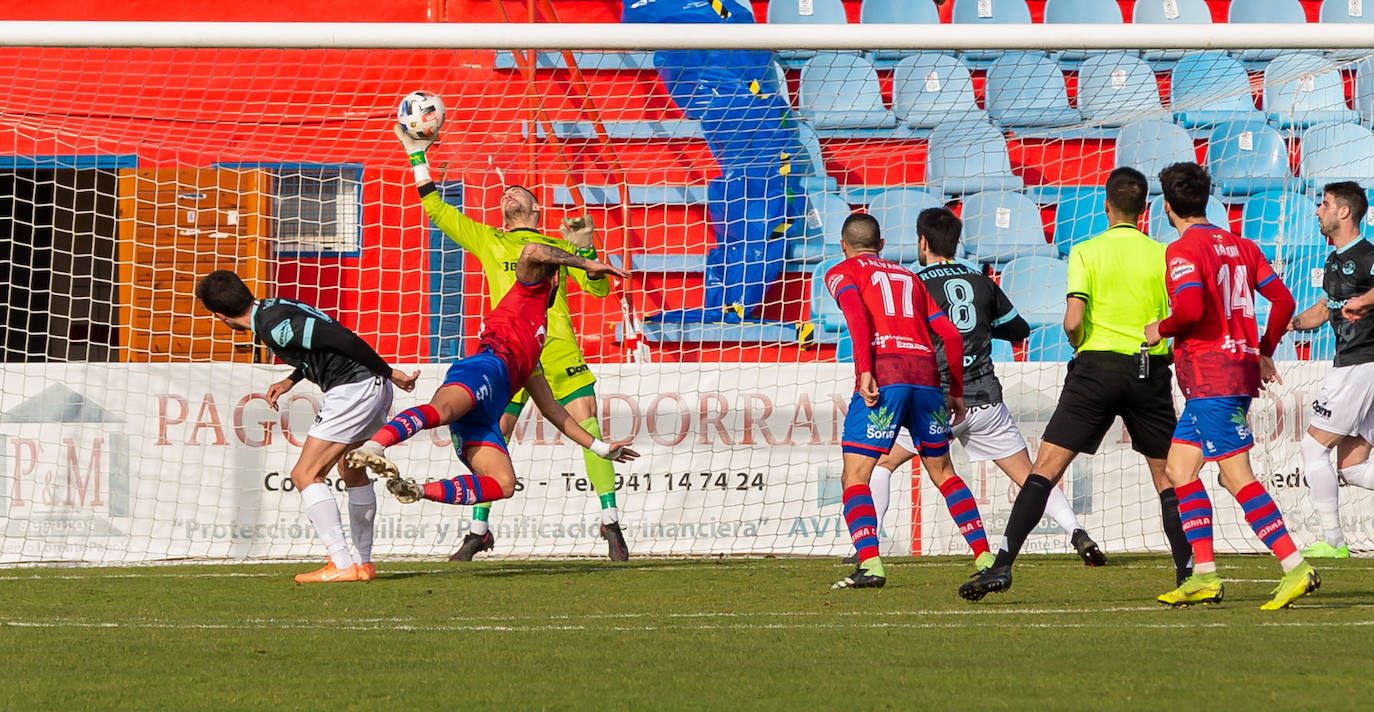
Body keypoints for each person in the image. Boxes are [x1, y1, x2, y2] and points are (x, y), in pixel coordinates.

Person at [394, 125, 631, 560]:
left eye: (518, 191)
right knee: (495, 433)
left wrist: (589, 250)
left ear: (536, 207)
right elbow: (436, 209)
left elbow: (598, 291)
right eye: (504, 193)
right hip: (507, 355)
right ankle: (479, 530)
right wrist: (417, 156)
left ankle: (610, 521)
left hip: (556, 349)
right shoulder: (491, 239)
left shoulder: (559, 245)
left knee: (588, 421)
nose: (508, 194)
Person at [960, 167, 1192, 602]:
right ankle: (1187, 571)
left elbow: (1071, 320)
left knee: (1045, 468)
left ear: (1106, 205)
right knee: (1168, 478)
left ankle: (1003, 566)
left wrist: (1081, 342)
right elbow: (1177, 316)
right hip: (1149, 368)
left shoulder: (1086, 251)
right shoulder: (1163, 254)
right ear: (1145, 210)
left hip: (1096, 368)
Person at [859, 207, 1106, 569]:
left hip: (937, 400)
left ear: (922, 242)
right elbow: (1019, 330)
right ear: (959, 243)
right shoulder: (981, 280)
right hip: (986, 399)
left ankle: (870, 548)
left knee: (882, 463)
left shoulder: (912, 284)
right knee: (1031, 475)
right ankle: (1077, 531)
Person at [347, 243, 639, 520]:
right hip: (484, 368)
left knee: (503, 484)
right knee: (443, 412)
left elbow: (552, 410)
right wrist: (587, 262)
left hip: (485, 416)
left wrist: (600, 448)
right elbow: (532, 251)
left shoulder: (536, 341)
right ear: (555, 280)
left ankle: (417, 490)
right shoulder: (527, 291)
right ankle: (374, 447)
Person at [1139, 162, 1314, 609]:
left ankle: (1295, 566)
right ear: (1206, 199)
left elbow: (1191, 308)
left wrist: (1160, 328)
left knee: (1237, 479)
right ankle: (1205, 575)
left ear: (1167, 207)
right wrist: (1263, 348)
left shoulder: (1181, 250)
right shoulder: (1242, 245)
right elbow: (1284, 300)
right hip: (1227, 373)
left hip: (1211, 374)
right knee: (1180, 470)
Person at [194, 270, 420, 583]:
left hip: (354, 387)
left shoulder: (273, 327)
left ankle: (341, 562)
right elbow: (318, 344)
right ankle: (363, 563)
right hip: (369, 386)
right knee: (351, 468)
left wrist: (389, 370)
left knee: (305, 475)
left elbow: (342, 338)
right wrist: (290, 379)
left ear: (220, 315)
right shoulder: (272, 308)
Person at [825, 213, 985, 589]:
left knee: (856, 475)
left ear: (843, 246)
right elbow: (951, 334)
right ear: (882, 246)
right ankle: (984, 555)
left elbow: (857, 315)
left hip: (887, 377)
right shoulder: (909, 276)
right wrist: (956, 391)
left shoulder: (842, 272)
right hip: (927, 376)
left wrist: (865, 370)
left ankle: (871, 565)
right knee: (944, 472)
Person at [1288, 182, 1374, 559]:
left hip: (1361, 361)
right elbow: (1325, 309)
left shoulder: (1368, 255)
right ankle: (1335, 541)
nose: (1316, 210)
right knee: (1353, 465)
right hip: (1356, 362)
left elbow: (1360, 297)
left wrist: (1365, 299)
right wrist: (1286, 325)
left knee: (1312, 446)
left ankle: (1334, 541)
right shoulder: (1334, 259)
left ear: (1343, 212)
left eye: (1323, 204)